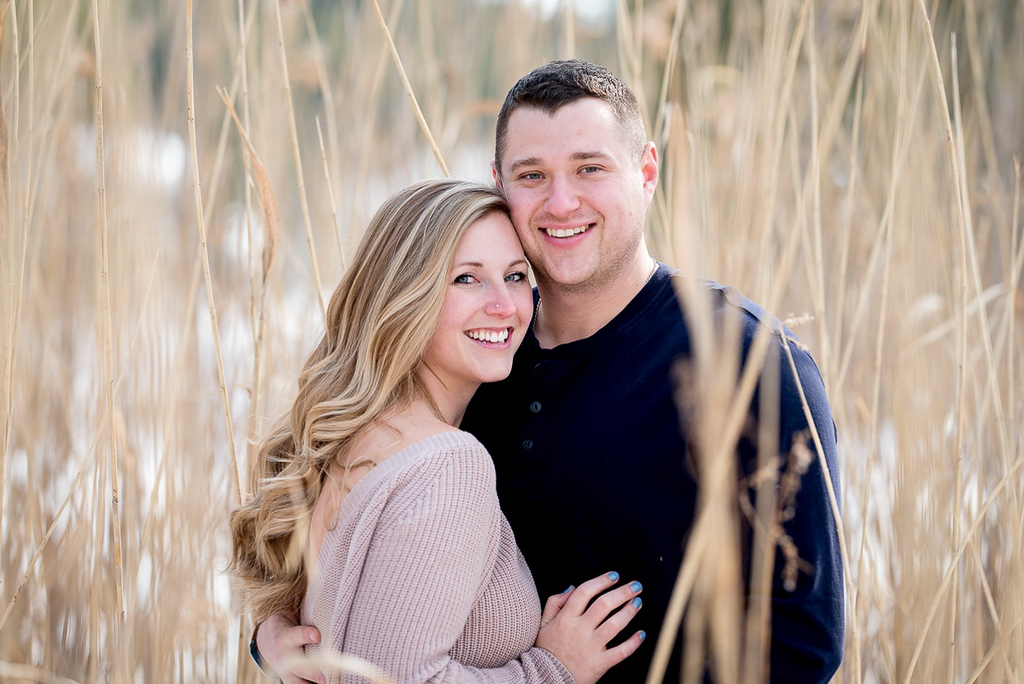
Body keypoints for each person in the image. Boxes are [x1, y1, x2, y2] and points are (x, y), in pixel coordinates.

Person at [258, 61, 844, 682]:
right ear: (499, 183)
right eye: (532, 176)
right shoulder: (471, 357)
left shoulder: (751, 364)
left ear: (647, 172)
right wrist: (273, 634)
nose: (561, 202)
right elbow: (354, 565)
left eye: (590, 168)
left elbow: (800, 646)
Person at [230, 178, 647, 684]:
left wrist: (267, 635)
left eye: (516, 276)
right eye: (466, 279)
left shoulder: (354, 433)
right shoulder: (447, 465)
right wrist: (552, 670)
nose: (504, 305)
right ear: (406, 296)